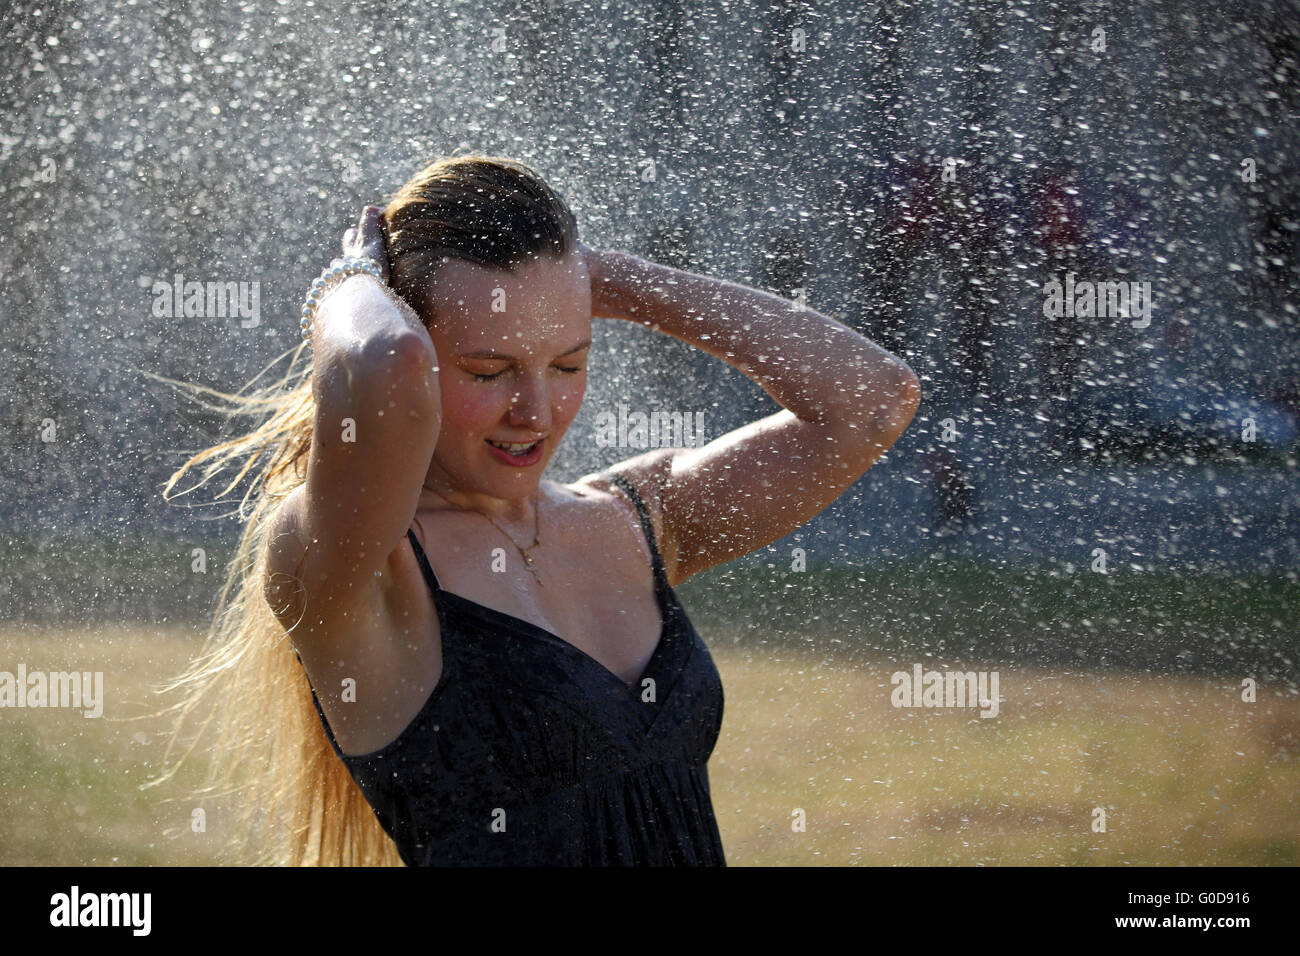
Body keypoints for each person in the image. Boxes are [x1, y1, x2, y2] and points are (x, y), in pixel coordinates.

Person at [153, 154, 920, 866]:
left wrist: (613, 282)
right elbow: (383, 361)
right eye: (489, 370)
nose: (537, 410)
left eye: (568, 364)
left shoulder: (633, 518)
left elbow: (873, 401)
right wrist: (349, 279)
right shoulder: (363, 567)